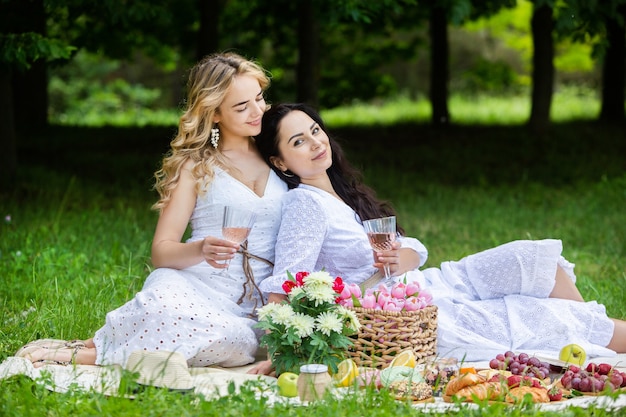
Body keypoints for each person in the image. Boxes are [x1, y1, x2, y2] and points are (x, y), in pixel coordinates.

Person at [250, 103, 626, 373]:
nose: (316, 143)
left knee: (530, 258)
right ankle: (599, 341)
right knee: (537, 315)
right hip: (414, 310)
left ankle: (597, 334)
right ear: (280, 162)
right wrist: (277, 351)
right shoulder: (304, 203)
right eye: (298, 141)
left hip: (435, 280)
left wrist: (405, 256)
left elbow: (409, 245)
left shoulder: (344, 193)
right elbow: (288, 282)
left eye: (315, 130)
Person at [15, 53, 288, 368]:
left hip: (257, 306)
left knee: (237, 342)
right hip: (194, 288)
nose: (258, 112)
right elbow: (162, 252)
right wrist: (200, 249)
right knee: (176, 313)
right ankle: (91, 354)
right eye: (242, 107)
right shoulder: (196, 166)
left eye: (259, 98)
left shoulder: (278, 153)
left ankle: (103, 346)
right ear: (214, 114)